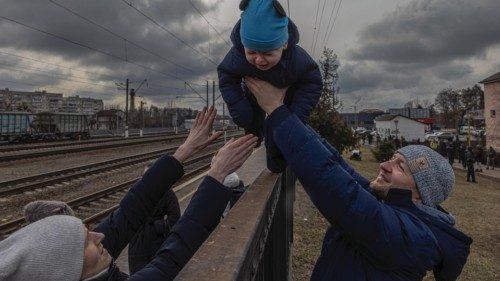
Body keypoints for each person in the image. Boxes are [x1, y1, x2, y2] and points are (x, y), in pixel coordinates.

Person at [246, 77, 472, 280]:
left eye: (399, 167)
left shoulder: (412, 237)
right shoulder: (393, 208)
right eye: (392, 158)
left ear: (421, 192)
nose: (384, 166)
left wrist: (276, 109)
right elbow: (334, 163)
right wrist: (288, 114)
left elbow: (337, 189)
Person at [0, 107, 258, 281]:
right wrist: (216, 176)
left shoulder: (84, 265)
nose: (99, 235)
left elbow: (128, 212)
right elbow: (174, 254)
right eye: (86, 241)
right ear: (66, 271)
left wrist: (184, 151)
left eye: (88, 230)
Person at [217, 0, 322, 173]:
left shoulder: (297, 59)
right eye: (251, 52)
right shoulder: (237, 55)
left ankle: (277, 166)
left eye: (268, 53)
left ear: (284, 44)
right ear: (243, 45)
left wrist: (295, 116)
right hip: (252, 94)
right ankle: (254, 137)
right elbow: (226, 75)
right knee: (249, 122)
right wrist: (239, 109)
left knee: (279, 132)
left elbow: (313, 82)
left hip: (285, 99)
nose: (259, 60)